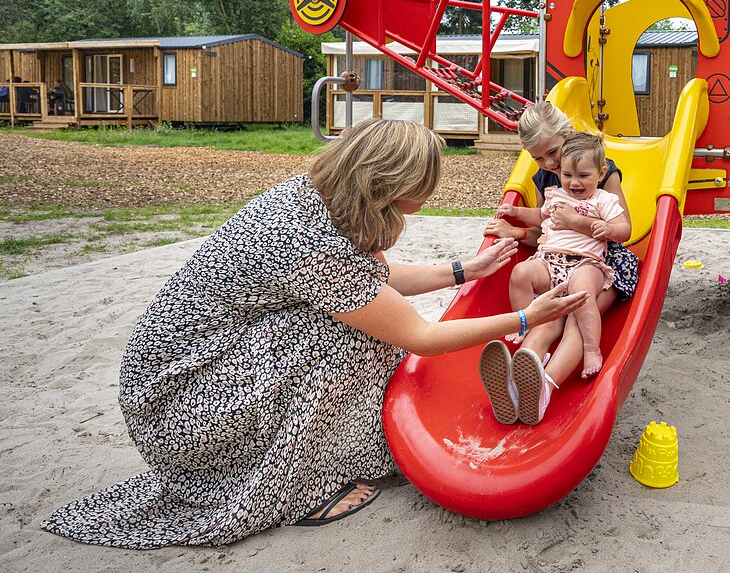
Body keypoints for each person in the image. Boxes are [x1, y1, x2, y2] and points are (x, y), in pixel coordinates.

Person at [41, 118, 587, 548]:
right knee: (344, 338)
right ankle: (301, 487)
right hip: (177, 403)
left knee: (350, 321)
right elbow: (418, 335)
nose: (428, 197)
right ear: (389, 183)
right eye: (423, 187)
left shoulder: (318, 197)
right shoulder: (311, 241)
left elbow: (369, 278)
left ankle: (329, 452)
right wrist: (527, 318)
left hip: (196, 367)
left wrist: (466, 270)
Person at [483, 102, 641, 413]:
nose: (548, 163)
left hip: (598, 261)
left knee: (576, 317)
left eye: (553, 152)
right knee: (545, 319)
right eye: (538, 158)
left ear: (567, 134)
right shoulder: (544, 179)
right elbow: (545, 229)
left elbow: (622, 231)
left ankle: (546, 385)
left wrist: (578, 222)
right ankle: (517, 384)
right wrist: (514, 230)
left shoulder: (600, 171)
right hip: (556, 259)